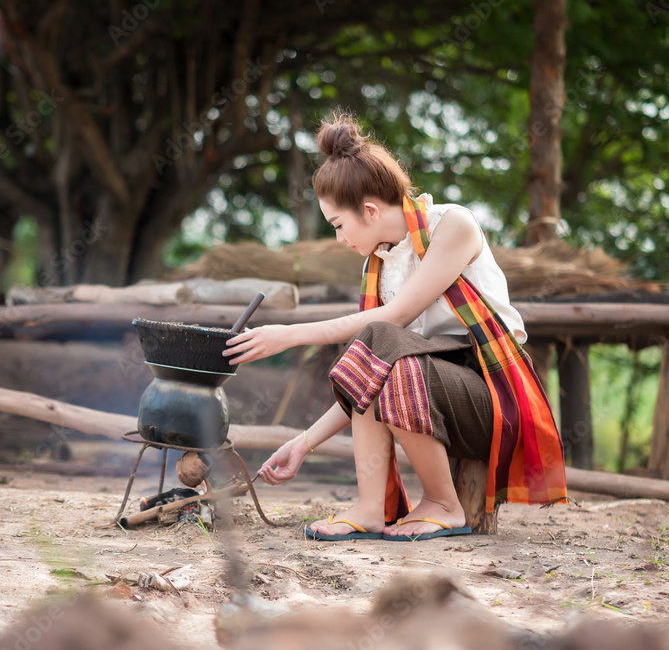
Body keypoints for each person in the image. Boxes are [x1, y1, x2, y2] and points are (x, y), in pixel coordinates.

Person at [222, 112, 566, 541]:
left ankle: (443, 503)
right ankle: (370, 509)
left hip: (491, 399)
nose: (339, 239)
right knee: (379, 356)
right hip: (432, 397)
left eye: (338, 225)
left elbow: (395, 319)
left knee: (383, 345)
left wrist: (289, 334)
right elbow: (365, 376)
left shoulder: (452, 225)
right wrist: (303, 444)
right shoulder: (380, 265)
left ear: (369, 210)